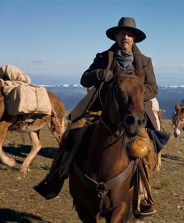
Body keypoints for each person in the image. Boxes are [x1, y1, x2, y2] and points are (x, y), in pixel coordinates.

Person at [34, 17, 169, 217]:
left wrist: (135, 93)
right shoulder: (104, 56)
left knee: (146, 149)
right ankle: (55, 178)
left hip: (133, 113)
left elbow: (153, 88)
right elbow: (84, 79)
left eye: (130, 34)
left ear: (134, 39)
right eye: (122, 33)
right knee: (70, 135)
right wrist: (98, 74)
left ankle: (142, 194)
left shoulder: (145, 62)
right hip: (101, 110)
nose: (126, 37)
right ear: (116, 36)